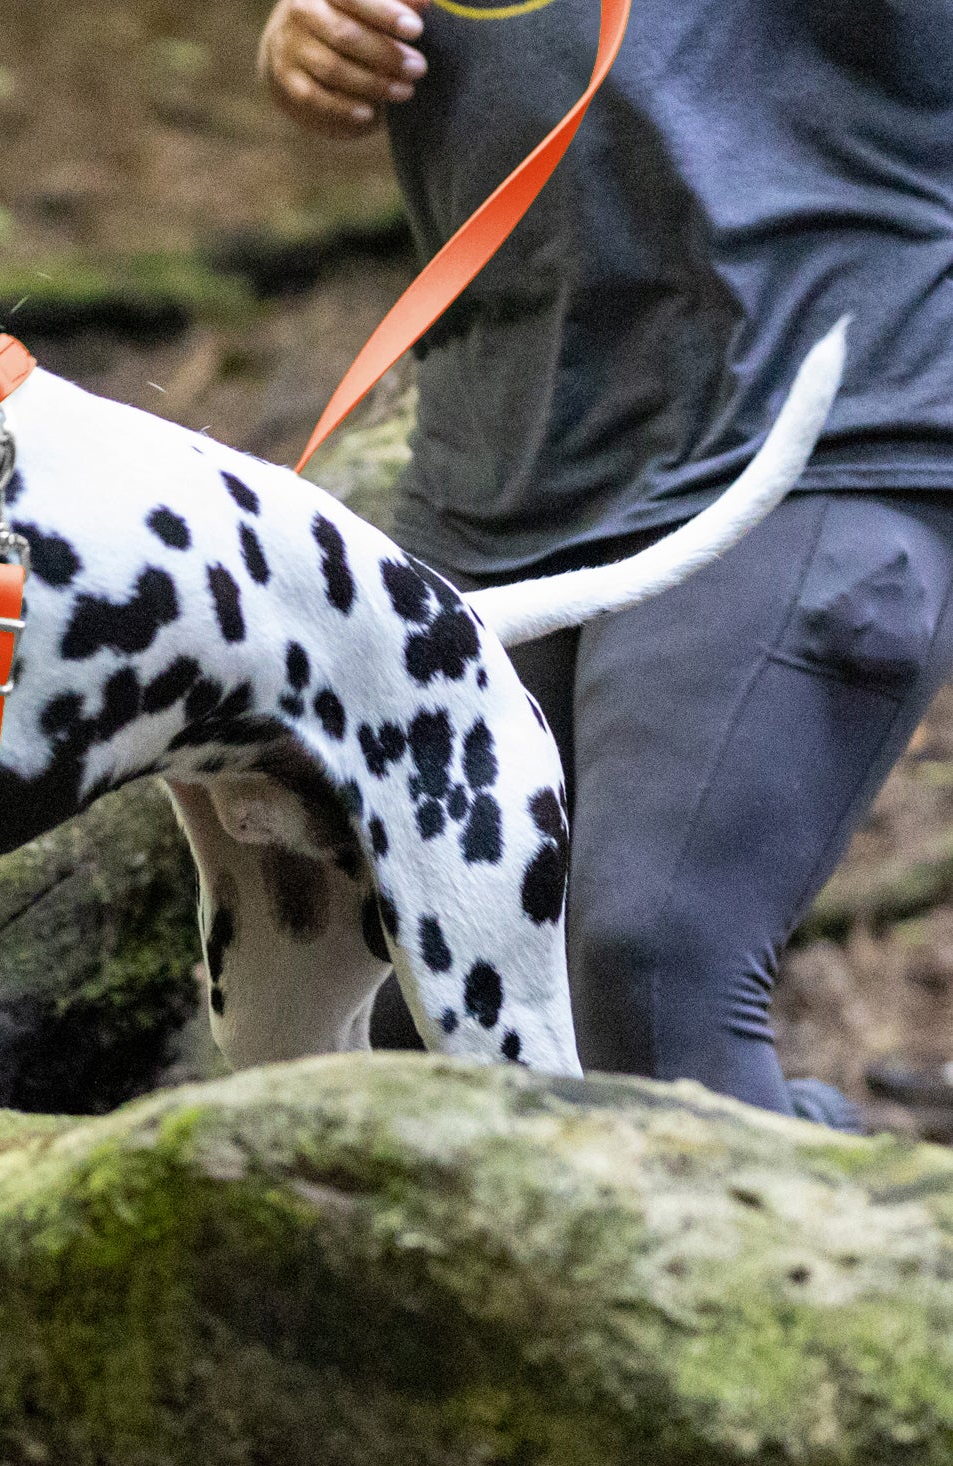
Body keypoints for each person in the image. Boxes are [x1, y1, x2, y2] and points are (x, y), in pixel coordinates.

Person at [256, 0, 953, 1123]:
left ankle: (864, 1264)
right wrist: (309, 38)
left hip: (814, 419)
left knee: (651, 970)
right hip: (497, 455)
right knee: (404, 1024)